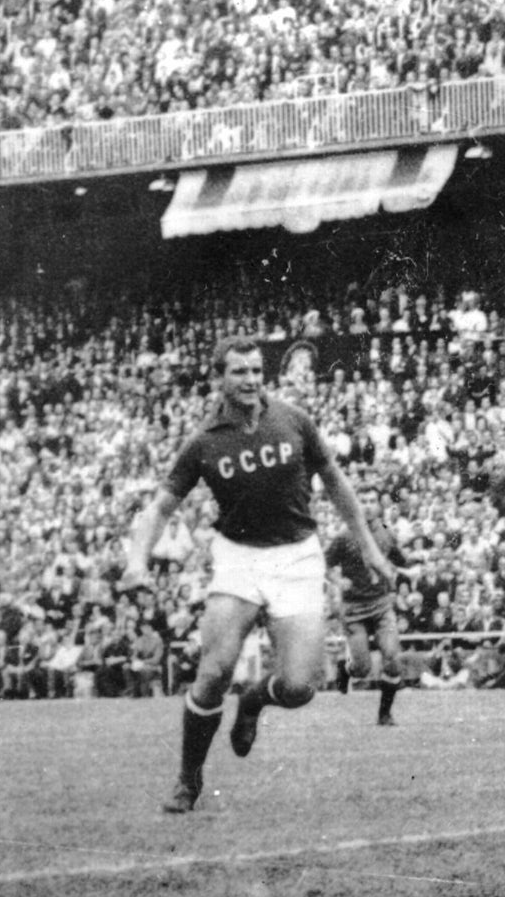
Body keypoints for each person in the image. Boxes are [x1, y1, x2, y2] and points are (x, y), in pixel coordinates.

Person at [127, 333, 394, 815]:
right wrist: (136, 562)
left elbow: (337, 484)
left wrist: (371, 549)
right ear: (220, 377)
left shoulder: (293, 420)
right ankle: (188, 781)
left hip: (296, 555)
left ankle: (252, 703)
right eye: (239, 372)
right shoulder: (203, 442)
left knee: (298, 687)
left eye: (256, 370)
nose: (250, 380)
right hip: (239, 558)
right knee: (213, 671)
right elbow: (158, 509)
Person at [326, 504, 416, 726]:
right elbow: (324, 564)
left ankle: (384, 714)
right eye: (361, 500)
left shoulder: (386, 534)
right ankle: (345, 668)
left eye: (371, 501)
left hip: (381, 605)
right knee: (362, 668)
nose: (366, 506)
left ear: (379, 506)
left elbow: (401, 560)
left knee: (392, 658)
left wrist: (412, 566)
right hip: (354, 608)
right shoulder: (344, 537)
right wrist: (338, 581)